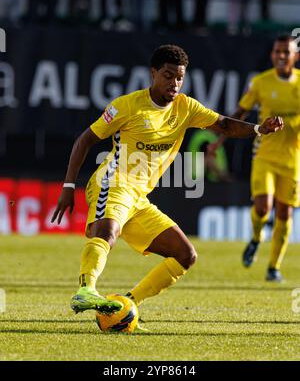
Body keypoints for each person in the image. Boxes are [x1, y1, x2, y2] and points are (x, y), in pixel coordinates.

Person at [51, 44, 283, 317]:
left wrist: (258, 128)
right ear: (153, 73)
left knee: (186, 255)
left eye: (179, 77)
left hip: (139, 198)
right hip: (113, 182)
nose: (174, 83)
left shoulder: (186, 108)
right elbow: (85, 140)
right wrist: (68, 186)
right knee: (108, 232)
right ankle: (85, 290)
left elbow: (224, 124)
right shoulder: (127, 106)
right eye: (168, 75)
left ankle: (128, 305)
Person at [208, 35, 300, 282]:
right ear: (272, 55)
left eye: (286, 52)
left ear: (295, 56)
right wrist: (219, 140)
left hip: (292, 158)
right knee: (263, 206)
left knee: (284, 214)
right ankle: (257, 237)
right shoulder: (260, 82)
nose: (280, 56)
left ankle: (273, 267)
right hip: (265, 155)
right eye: (277, 51)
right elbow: (240, 113)